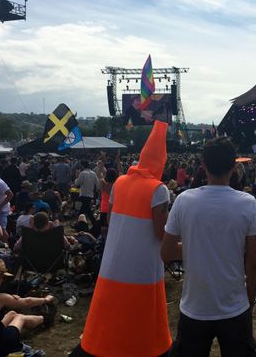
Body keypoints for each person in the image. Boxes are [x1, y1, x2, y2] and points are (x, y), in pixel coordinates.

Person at [162, 137, 256, 357]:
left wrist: (194, 246)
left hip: (195, 306)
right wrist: (248, 299)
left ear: (203, 165)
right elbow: (254, 262)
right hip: (235, 306)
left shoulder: (183, 201)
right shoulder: (248, 204)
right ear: (234, 166)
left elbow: (167, 252)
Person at [77, 121, 172, 357]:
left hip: (114, 262)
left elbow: (109, 219)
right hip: (142, 262)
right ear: (160, 161)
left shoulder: (119, 182)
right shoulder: (158, 189)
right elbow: (161, 233)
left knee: (112, 310)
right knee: (140, 312)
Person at [0, 258, 54, 357]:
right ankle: (46, 318)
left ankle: (44, 319)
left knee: (12, 313)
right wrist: (45, 300)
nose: (2, 280)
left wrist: (9, 298)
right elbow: (26, 302)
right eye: (0, 277)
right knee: (19, 317)